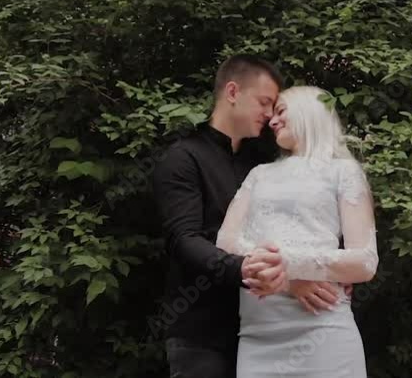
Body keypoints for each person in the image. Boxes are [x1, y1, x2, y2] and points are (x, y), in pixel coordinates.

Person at [154, 55, 343, 378]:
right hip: (203, 333)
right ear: (232, 92)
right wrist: (252, 271)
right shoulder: (183, 158)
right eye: (264, 102)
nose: (270, 115)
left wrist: (326, 270)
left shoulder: (264, 163)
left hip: (270, 331)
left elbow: (305, 223)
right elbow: (184, 241)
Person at [216, 85, 379, 378]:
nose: (272, 121)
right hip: (258, 335)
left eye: (281, 111)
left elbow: (365, 262)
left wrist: (287, 263)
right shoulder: (259, 174)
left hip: (323, 328)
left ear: (309, 110)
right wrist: (284, 278)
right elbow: (225, 242)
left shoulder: (343, 171)